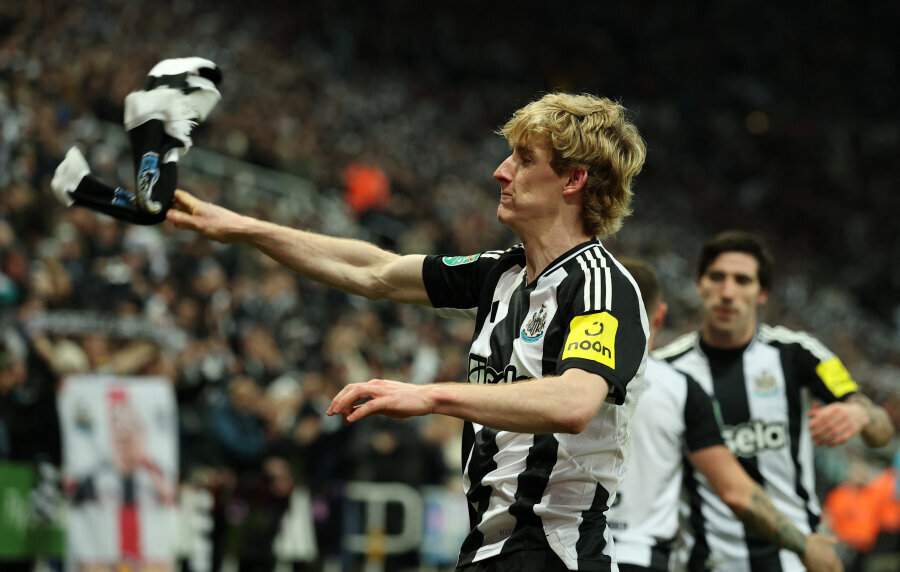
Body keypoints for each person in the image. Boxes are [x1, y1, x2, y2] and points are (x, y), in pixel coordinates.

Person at [167, 92, 649, 571]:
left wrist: (430, 395)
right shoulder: (500, 273)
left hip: (556, 554)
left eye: (524, 160)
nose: (501, 172)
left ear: (573, 179)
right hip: (489, 550)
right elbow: (374, 272)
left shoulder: (601, 286)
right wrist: (243, 228)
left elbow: (573, 403)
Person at [653, 230, 895, 572]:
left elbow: (882, 431)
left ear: (762, 293)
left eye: (742, 280)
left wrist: (861, 414)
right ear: (699, 284)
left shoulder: (799, 353)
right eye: (717, 277)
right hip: (703, 562)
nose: (727, 292)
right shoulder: (666, 369)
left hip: (796, 558)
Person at [608, 257, 842, 572]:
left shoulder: (552, 379)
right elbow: (736, 492)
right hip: (640, 556)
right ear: (660, 315)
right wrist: (805, 545)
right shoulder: (679, 386)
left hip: (562, 548)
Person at [51, 57, 222, 224]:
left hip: (160, 129)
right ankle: (77, 187)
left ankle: (78, 186)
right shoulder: (106, 107)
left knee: (154, 211)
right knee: (154, 209)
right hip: (156, 123)